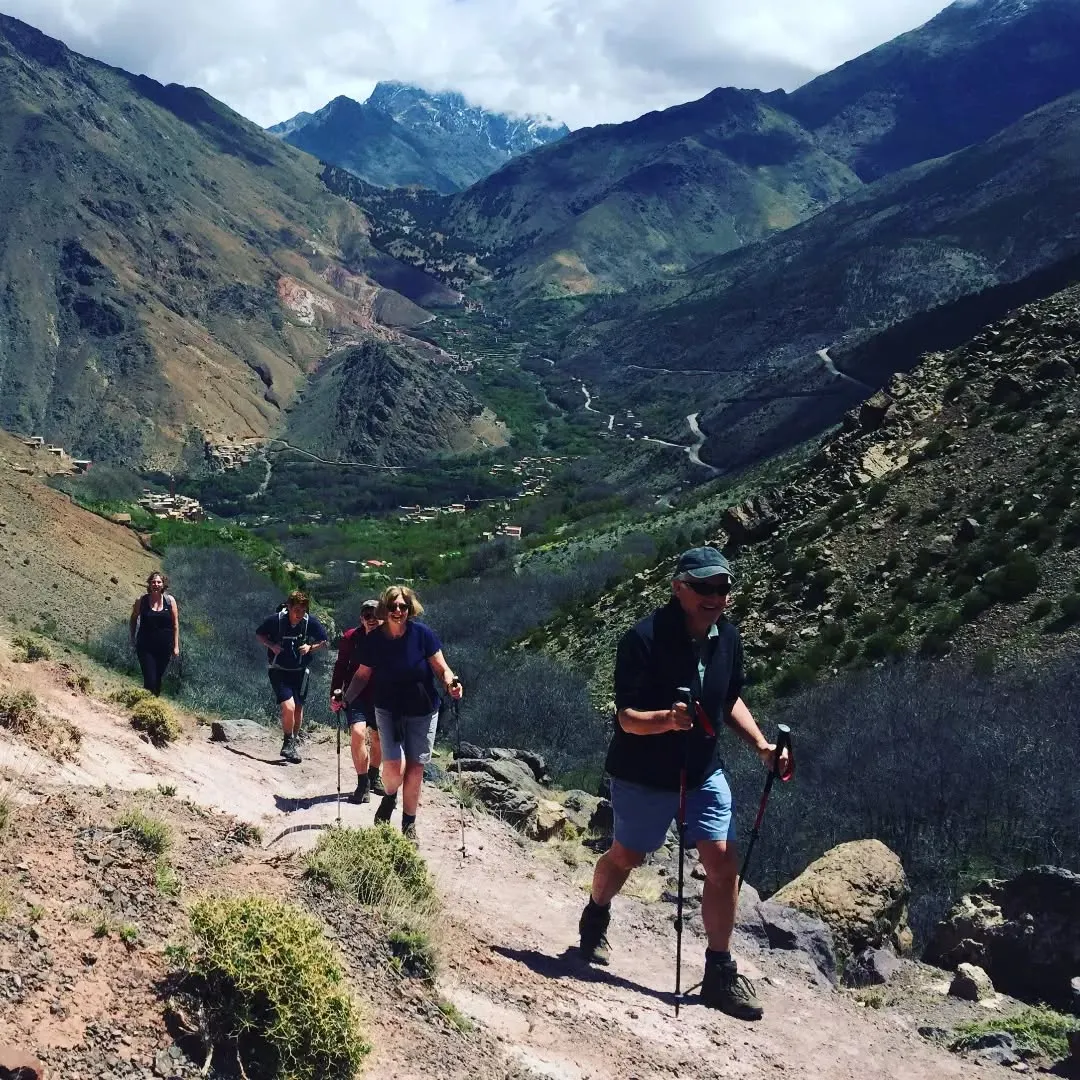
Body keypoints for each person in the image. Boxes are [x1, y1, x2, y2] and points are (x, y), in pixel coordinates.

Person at [577, 547, 790, 1022]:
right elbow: (627, 719)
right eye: (705, 587)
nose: (717, 596)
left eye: (724, 588)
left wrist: (761, 747)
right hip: (642, 774)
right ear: (679, 587)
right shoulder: (643, 639)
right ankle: (595, 914)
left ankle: (719, 971)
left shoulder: (728, 640)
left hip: (702, 771)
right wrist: (666, 722)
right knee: (627, 856)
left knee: (721, 862)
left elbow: (728, 699)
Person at [343, 584, 463, 840]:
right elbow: (362, 676)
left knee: (416, 769)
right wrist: (345, 699)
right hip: (388, 709)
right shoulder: (374, 641)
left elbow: (441, 668)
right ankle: (389, 796)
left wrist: (452, 684)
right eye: (394, 606)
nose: (398, 611)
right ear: (385, 609)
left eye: (403, 606)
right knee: (395, 767)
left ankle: (408, 825)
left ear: (410, 609)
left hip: (423, 710)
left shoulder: (422, 634)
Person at [255, 590, 329, 764]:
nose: (299, 614)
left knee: (298, 709)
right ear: (288, 607)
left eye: (303, 611)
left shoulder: (309, 622)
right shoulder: (276, 620)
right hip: (279, 669)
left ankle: (292, 744)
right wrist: (272, 645)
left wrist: (310, 647)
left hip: (300, 671)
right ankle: (288, 742)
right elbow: (259, 634)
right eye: (296, 610)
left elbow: (323, 641)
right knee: (288, 707)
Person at [329, 599, 386, 804]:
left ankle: (373, 775)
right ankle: (363, 784)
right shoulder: (351, 638)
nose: (372, 619)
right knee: (358, 732)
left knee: (378, 738)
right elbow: (341, 665)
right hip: (355, 694)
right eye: (367, 615)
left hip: (381, 695)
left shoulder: (391, 638)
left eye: (376, 615)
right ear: (361, 618)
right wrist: (335, 691)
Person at [129, 572, 180, 696]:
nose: (156, 584)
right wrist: (132, 638)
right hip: (145, 646)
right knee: (150, 679)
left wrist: (176, 646)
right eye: (153, 582)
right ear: (149, 584)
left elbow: (175, 624)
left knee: (157, 679)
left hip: (164, 647)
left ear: (163, 585)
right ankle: (145, 705)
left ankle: (152, 705)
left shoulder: (170, 601)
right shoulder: (141, 601)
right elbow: (133, 618)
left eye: (158, 582)